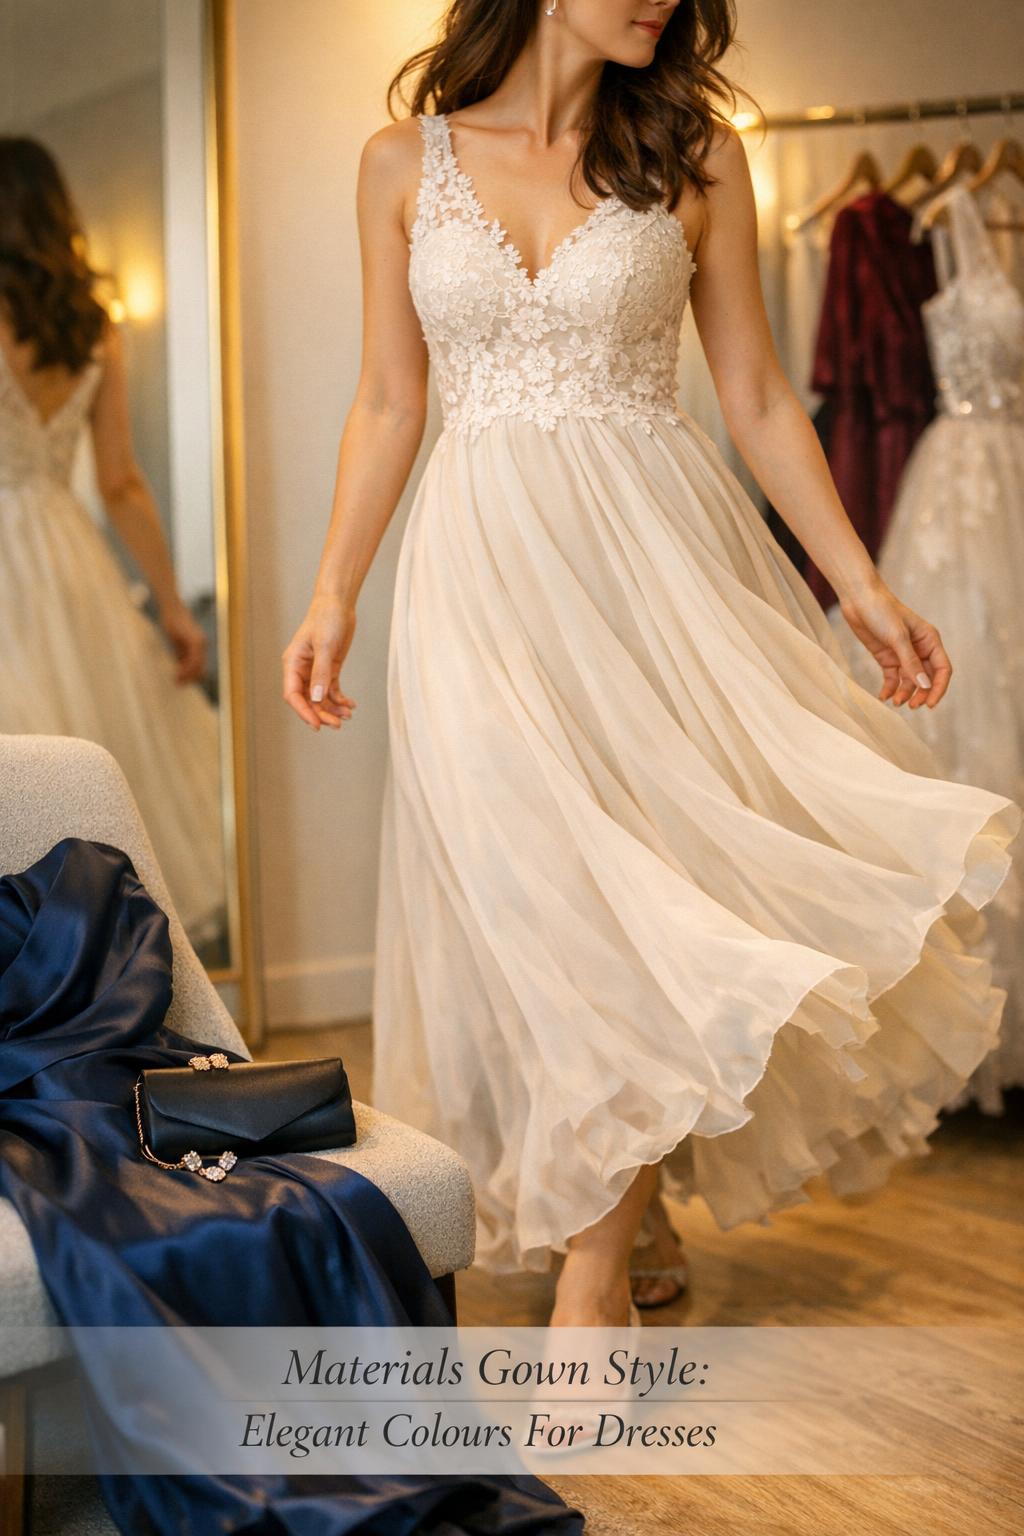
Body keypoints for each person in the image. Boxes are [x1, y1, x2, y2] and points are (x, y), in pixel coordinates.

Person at [282, 0, 1021, 1327]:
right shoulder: (400, 162)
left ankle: (593, 1278)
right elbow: (390, 398)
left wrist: (860, 586)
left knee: (640, 893)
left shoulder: (698, 155)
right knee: (534, 898)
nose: (664, 0)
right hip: (474, 581)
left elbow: (755, 394)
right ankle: (625, 1195)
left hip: (650, 570)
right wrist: (332, 592)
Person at [0, 134, 227, 947]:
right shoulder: (93, 326)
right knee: (87, 758)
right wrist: (172, 608)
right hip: (70, 553)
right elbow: (122, 482)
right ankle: (89, 955)